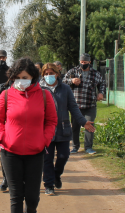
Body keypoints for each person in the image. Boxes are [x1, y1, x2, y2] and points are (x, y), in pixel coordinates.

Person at [0, 58, 58, 213]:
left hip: (35, 153)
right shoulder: (5, 95)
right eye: (18, 78)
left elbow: (52, 120)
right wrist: (2, 137)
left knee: (32, 196)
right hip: (10, 152)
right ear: (12, 78)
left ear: (33, 78)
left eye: (25, 78)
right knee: (15, 195)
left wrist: (45, 140)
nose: (21, 81)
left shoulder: (45, 96)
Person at [39, 63, 95, 196]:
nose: (49, 76)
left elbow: (73, 107)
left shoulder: (65, 89)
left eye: (51, 73)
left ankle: (56, 174)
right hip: (45, 131)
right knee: (47, 159)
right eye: (46, 74)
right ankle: (49, 185)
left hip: (62, 129)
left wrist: (83, 122)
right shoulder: (38, 89)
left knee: (63, 156)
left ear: (57, 74)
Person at [63, 53, 106, 154]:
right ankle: (75, 146)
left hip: (90, 104)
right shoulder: (73, 71)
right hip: (75, 106)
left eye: (85, 62)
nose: (83, 64)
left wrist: (101, 93)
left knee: (89, 125)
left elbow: (102, 83)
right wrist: (71, 80)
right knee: (75, 127)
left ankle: (88, 147)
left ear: (89, 62)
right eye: (81, 62)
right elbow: (63, 81)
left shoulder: (95, 73)